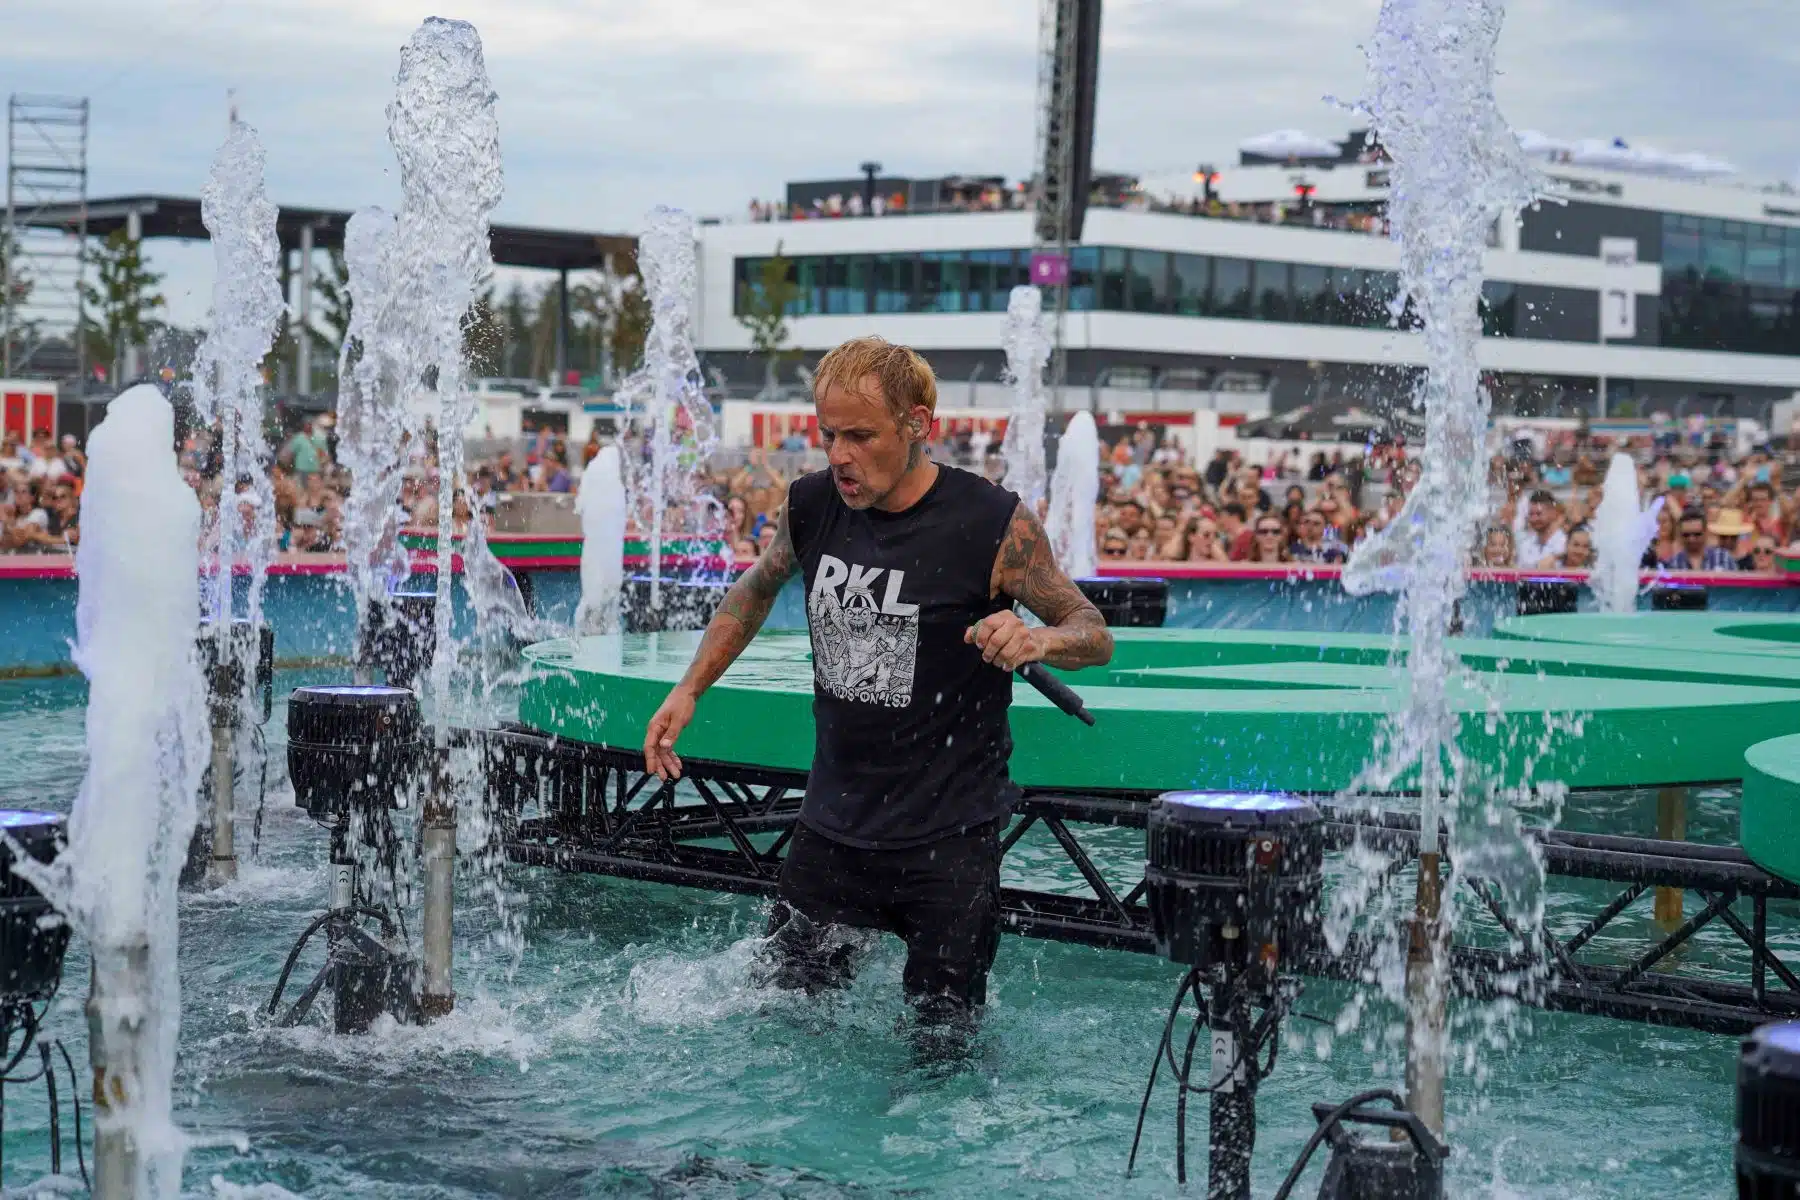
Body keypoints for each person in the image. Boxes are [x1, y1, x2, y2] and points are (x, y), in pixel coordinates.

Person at [641, 335, 1112, 1036]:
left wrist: (1037, 638)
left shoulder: (991, 523)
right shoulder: (812, 506)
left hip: (947, 842)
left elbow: (1092, 630)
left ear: (918, 425)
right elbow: (758, 586)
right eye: (828, 434)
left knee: (941, 1046)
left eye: (861, 436)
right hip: (832, 831)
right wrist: (690, 689)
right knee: (776, 1027)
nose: (839, 456)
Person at [1660, 507, 1737, 571]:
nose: (1691, 539)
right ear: (1680, 535)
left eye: (1697, 534)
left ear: (1706, 533)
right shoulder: (1673, 564)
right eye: (1686, 535)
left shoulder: (1723, 558)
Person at [1514, 489, 1566, 568]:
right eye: (1531, 514)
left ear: (1553, 514)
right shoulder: (1525, 545)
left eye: (1539, 514)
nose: (1534, 519)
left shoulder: (1565, 543)